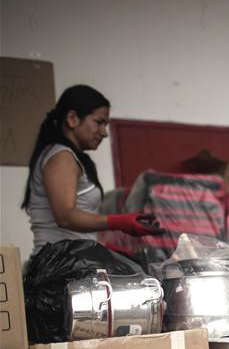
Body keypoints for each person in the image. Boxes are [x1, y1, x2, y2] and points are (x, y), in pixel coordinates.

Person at [22, 84, 161, 256]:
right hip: (58, 265)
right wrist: (118, 222)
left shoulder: (69, 157)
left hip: (72, 261)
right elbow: (65, 216)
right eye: (99, 122)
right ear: (72, 118)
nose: (104, 132)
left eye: (106, 124)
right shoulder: (61, 157)